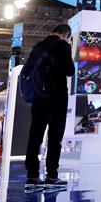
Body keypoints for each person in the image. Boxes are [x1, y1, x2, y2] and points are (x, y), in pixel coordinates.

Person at [23, 24, 75, 188]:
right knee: (54, 137)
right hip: (56, 97)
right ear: (66, 35)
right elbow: (69, 70)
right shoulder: (63, 45)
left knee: (35, 136)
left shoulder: (38, 46)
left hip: (38, 97)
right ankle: (52, 175)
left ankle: (32, 175)